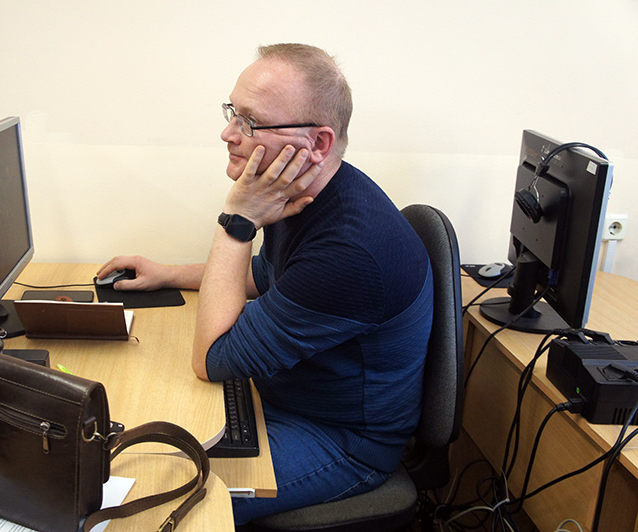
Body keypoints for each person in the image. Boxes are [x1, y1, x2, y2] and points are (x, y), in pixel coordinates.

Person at [97, 43, 433, 525]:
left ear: (318, 143)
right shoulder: (305, 190)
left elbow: (212, 358)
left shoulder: (350, 251)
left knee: (148, 497)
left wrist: (238, 220)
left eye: (251, 122)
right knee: (129, 440)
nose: (228, 133)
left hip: (340, 441)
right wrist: (168, 274)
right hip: (278, 395)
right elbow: (268, 274)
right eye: (233, 112)